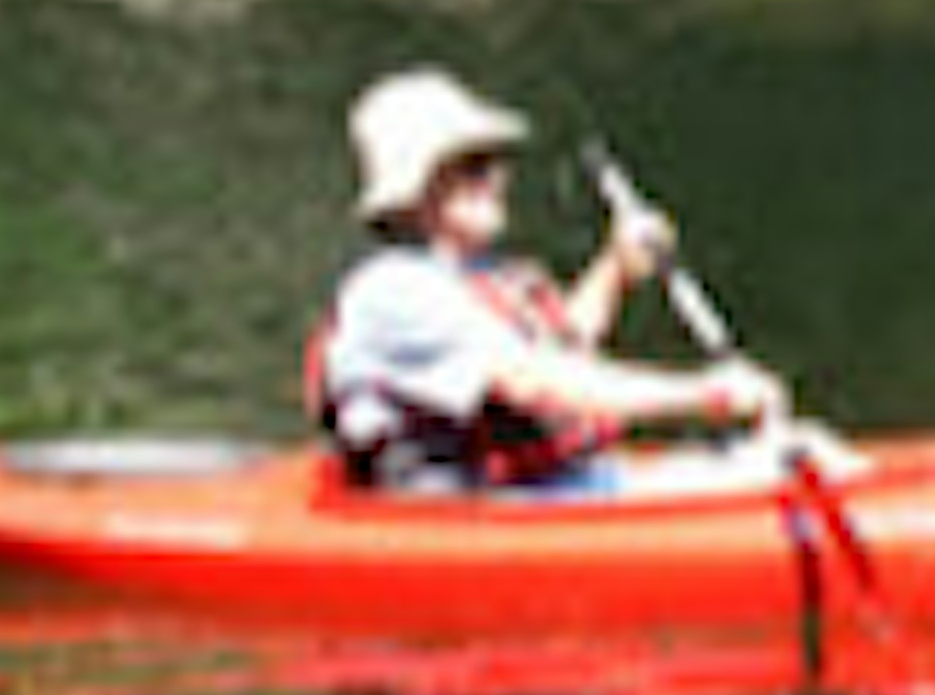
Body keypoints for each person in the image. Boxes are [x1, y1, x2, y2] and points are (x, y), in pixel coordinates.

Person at [316, 67, 782, 491]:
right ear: (416, 191)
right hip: (465, 517)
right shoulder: (395, 291)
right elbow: (534, 381)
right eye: (474, 166)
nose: (497, 179)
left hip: (553, 488)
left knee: (792, 461)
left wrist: (614, 269)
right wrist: (706, 393)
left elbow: (562, 347)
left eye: (496, 162)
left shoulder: (483, 274)